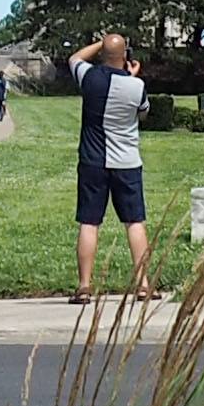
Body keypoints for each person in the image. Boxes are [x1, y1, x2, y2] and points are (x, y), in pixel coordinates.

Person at [65, 31, 154, 304]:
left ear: (103, 55)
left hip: (93, 161)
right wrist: (132, 76)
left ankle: (84, 286)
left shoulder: (89, 77)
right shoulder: (136, 86)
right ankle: (143, 285)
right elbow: (143, 112)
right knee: (134, 222)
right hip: (127, 161)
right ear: (125, 56)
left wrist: (101, 44)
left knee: (89, 222)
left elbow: (75, 58)